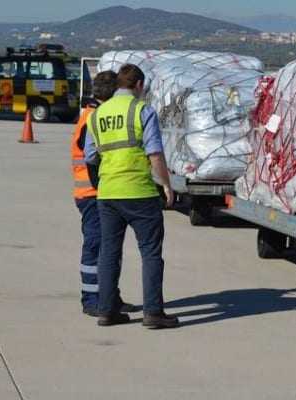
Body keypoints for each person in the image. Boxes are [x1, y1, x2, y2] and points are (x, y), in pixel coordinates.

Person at [84, 64, 179, 329]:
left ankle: (107, 310)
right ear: (138, 85)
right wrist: (167, 186)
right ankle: (153, 313)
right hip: (139, 192)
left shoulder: (97, 114)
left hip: (108, 193)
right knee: (150, 253)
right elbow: (155, 155)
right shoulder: (142, 110)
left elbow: (90, 156)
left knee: (109, 253)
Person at [71, 71, 140, 317]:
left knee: (109, 248)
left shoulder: (91, 114)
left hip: (97, 192)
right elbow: (92, 158)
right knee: (96, 247)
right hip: (92, 193)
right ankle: (92, 299)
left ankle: (110, 297)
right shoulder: (93, 118)